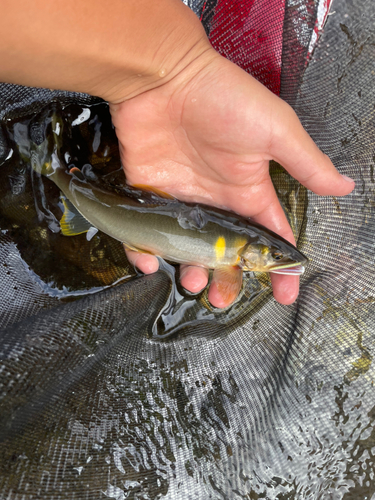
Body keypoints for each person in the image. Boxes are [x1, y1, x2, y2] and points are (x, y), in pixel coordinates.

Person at [0, 0, 355, 308]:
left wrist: (178, 68)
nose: (276, 259)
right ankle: (55, 171)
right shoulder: (234, 260)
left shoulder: (236, 255)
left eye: (275, 255)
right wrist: (176, 71)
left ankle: (56, 170)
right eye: (274, 255)